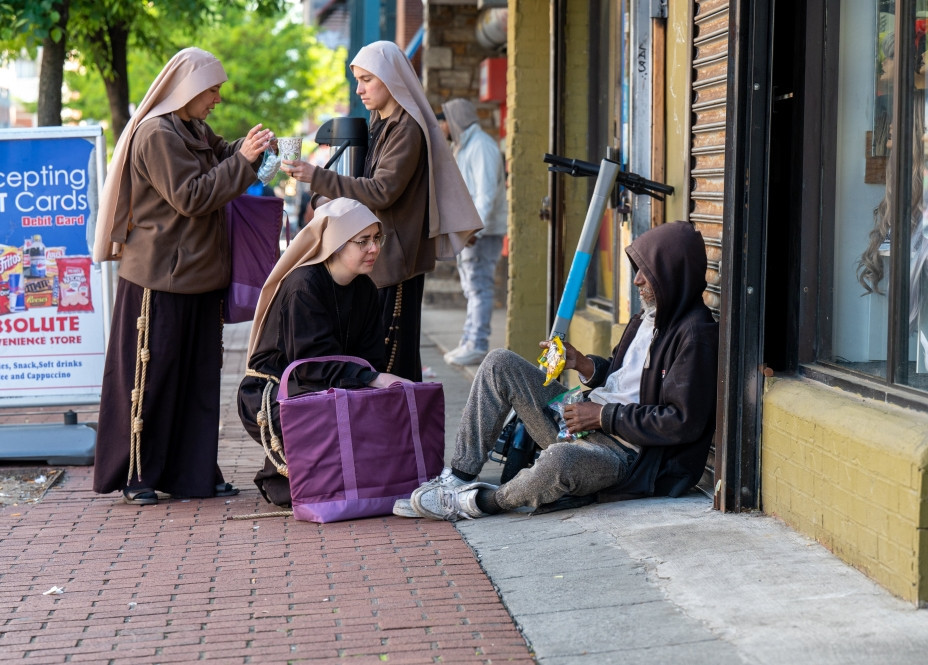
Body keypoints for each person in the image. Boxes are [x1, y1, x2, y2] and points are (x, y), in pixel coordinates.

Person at [395, 221, 719, 520]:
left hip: (624, 457)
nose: (636, 279)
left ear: (672, 273)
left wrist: (603, 416)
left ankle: (476, 503)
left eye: (647, 272)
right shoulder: (644, 317)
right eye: (637, 270)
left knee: (558, 463)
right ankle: (458, 477)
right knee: (499, 363)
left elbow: (681, 422)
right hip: (577, 423)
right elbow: (623, 378)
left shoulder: (696, 334)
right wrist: (583, 364)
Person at [92, 47, 277, 505]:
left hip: (197, 274)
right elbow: (191, 197)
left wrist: (249, 148)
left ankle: (193, 474)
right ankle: (138, 474)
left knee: (197, 379)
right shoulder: (156, 132)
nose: (216, 99)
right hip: (160, 278)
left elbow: (222, 156)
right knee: (152, 377)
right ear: (188, 90)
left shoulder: (190, 126)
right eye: (211, 90)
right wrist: (242, 161)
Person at [282, 40, 482, 382]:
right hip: (380, 257)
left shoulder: (407, 128)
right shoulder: (383, 122)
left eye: (366, 80)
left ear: (390, 79)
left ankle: (400, 432)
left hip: (396, 264)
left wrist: (317, 176)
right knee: (375, 362)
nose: (359, 89)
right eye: (358, 80)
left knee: (393, 362)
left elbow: (382, 191)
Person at [237, 198, 411, 507]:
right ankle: (281, 478)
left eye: (376, 239)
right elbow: (309, 366)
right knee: (333, 423)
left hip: (330, 386)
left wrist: (375, 385)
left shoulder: (366, 289)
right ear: (336, 244)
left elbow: (372, 359)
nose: (373, 249)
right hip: (276, 393)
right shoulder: (303, 286)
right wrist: (371, 379)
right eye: (363, 241)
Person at [436, 99, 508, 366]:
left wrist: (473, 230)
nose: (440, 127)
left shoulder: (481, 147)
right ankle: (469, 341)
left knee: (479, 288)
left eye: (442, 120)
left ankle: (477, 344)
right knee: (471, 288)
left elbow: (485, 195)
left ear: (454, 119)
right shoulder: (465, 146)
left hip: (481, 233)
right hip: (471, 232)